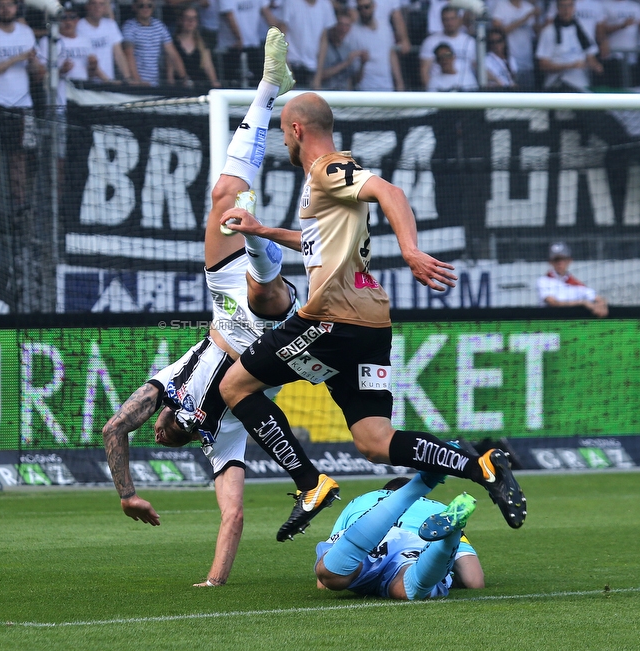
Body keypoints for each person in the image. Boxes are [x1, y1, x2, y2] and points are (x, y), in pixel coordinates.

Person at [217, 91, 527, 542]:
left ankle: (310, 483)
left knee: (234, 385)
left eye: (283, 131)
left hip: (330, 319)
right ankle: (479, 464)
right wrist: (263, 230)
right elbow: (316, 243)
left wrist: (410, 250)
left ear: (296, 130)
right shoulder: (322, 186)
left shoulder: (326, 168)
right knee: (374, 441)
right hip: (369, 325)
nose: (284, 140)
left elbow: (390, 191)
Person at [102, 28, 297, 587]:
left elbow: (116, 429)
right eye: (166, 436)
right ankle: (259, 240)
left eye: (157, 433)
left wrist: (128, 494)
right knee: (264, 297)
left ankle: (267, 88)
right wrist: (215, 580)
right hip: (268, 331)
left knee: (221, 198)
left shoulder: (171, 382)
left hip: (220, 312)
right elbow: (233, 515)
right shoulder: (224, 439)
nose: (158, 434)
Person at [315, 473, 484, 599]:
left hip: (370, 535)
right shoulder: (437, 509)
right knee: (411, 589)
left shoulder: (363, 500)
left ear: (386, 493)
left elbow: (322, 584)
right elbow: (473, 580)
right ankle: (450, 538)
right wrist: (443, 574)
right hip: (415, 544)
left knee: (331, 575)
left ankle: (420, 483)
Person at [0, 0, 45, 208]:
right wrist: (16, 58)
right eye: (1, 6)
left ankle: (20, 201)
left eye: (10, 5)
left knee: (19, 154)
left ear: (17, 8)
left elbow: (37, 73)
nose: (6, 9)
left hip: (22, 103)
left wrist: (34, 64)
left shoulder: (26, 33)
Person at [37, 1, 91, 198]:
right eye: (64, 17)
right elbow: (38, 77)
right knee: (60, 159)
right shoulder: (48, 42)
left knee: (82, 157)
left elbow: (91, 75)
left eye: (72, 17)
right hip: (58, 108)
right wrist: (59, 71)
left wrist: (93, 67)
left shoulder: (86, 41)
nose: (68, 21)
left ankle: (78, 198)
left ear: (78, 20)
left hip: (83, 109)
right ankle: (60, 203)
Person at [536, 0, 603, 90]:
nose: (566, 10)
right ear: (558, 8)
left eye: (569, 6)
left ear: (574, 8)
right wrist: (570, 66)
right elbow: (543, 65)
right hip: (557, 85)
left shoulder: (582, 30)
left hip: (581, 85)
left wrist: (596, 66)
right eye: (563, 6)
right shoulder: (548, 32)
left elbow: (590, 57)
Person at [121, 0, 186, 86]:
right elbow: (128, 55)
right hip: (136, 86)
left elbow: (172, 53)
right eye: (141, 6)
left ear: (154, 7)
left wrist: (184, 78)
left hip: (154, 85)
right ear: (134, 7)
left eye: (149, 5)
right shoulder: (129, 27)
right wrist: (138, 82)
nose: (146, 8)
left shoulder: (159, 26)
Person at [537, 241, 608, 317]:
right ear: (550, 262)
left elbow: (597, 297)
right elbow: (553, 303)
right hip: (549, 321)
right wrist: (582, 303)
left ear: (569, 260)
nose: (560, 263)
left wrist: (601, 305)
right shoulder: (543, 281)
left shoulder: (574, 283)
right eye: (556, 259)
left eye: (563, 259)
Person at [344, 0, 403, 91]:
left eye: (366, 6)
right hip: (365, 91)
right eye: (360, 8)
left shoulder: (385, 27)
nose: (364, 10)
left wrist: (399, 83)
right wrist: (362, 64)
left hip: (387, 88)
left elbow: (391, 55)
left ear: (374, 6)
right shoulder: (353, 33)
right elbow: (353, 75)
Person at [278, 0, 337, 87]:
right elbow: (281, 37)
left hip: (312, 70)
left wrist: (318, 76)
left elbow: (323, 41)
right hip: (292, 66)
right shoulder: (290, 3)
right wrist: (288, 75)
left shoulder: (326, 5)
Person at [78, 0, 135, 83]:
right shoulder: (79, 27)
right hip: (87, 85)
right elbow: (89, 60)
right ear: (87, 6)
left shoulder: (110, 25)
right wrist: (107, 81)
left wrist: (127, 78)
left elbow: (119, 55)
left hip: (108, 85)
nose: (97, 8)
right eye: (94, 3)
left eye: (101, 4)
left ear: (105, 8)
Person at [419, 6, 476, 89]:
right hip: (440, 87)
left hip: (466, 85)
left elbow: (477, 66)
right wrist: (432, 90)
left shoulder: (470, 41)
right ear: (441, 21)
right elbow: (424, 71)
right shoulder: (430, 41)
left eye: (452, 19)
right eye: (446, 19)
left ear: (459, 19)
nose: (449, 22)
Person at [598, 0, 640, 88]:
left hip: (631, 58)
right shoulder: (604, 5)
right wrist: (621, 26)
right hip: (612, 57)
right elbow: (601, 30)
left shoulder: (635, 6)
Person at [490, 0, 538, 89]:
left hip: (527, 63)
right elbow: (497, 32)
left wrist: (537, 18)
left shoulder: (529, 7)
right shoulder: (501, 6)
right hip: (508, 63)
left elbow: (537, 32)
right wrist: (524, 19)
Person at [313, 6, 363, 89]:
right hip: (327, 94)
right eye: (341, 25)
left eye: (347, 26)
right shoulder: (323, 47)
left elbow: (355, 80)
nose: (343, 29)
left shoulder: (348, 49)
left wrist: (362, 64)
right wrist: (346, 63)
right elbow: (319, 75)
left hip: (345, 96)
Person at [173, 6, 221, 89]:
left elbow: (208, 67)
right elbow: (170, 71)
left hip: (200, 88)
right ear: (180, 20)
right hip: (180, 89)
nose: (191, 21)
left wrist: (215, 84)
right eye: (187, 18)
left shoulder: (203, 43)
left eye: (194, 18)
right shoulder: (173, 43)